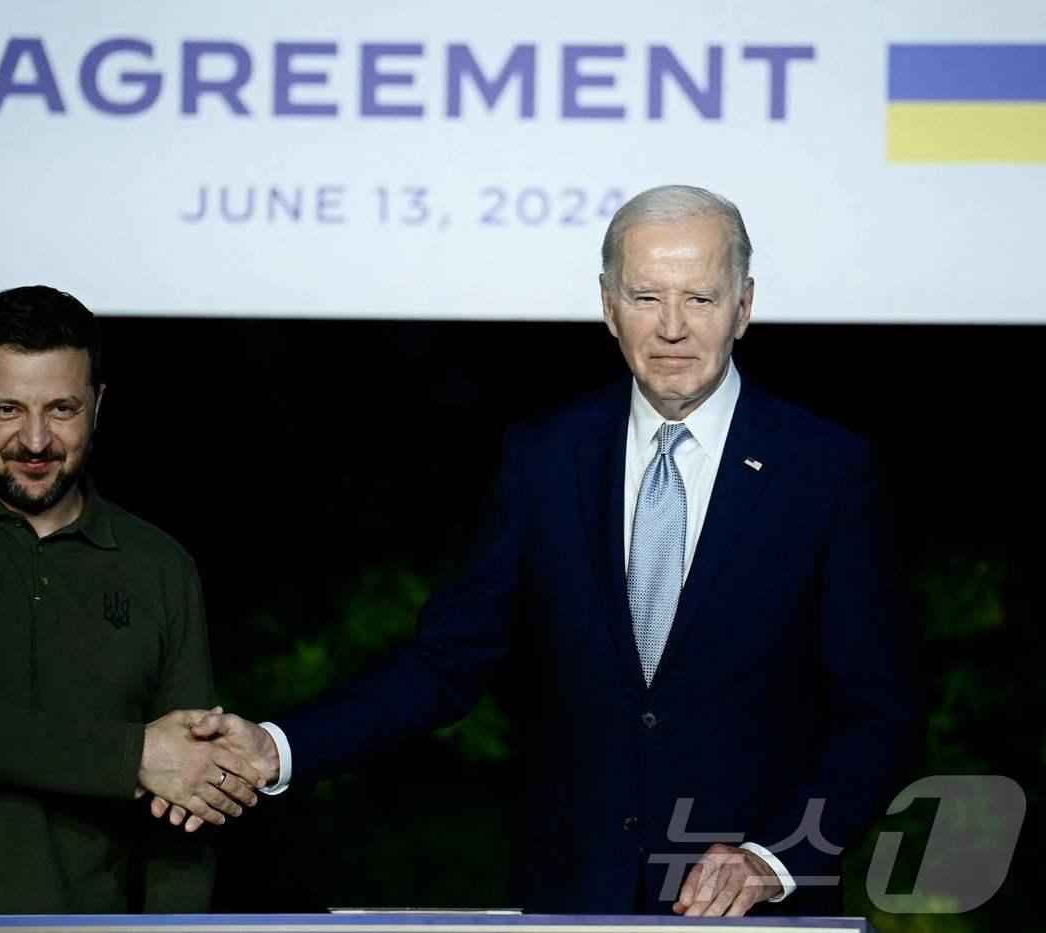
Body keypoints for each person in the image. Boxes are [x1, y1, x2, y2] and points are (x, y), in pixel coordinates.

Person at [166, 186, 922, 917]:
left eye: (700, 297)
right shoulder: (543, 457)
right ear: (607, 305)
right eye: (646, 296)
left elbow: (881, 711)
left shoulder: (827, 472)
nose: (672, 328)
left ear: (744, 306)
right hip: (573, 899)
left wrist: (776, 855)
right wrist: (277, 747)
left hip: (750, 916)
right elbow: (448, 660)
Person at [0, 286, 263, 914]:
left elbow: (188, 793)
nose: (35, 441)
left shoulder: (160, 565)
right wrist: (135, 754)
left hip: (92, 927)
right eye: (6, 409)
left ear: (97, 406)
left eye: (61, 409)